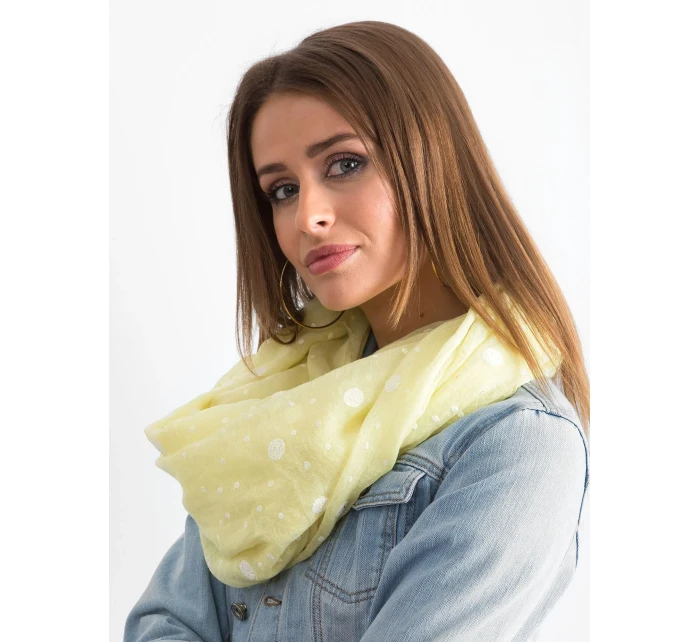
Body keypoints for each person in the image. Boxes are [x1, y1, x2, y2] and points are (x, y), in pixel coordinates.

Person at [124, 20, 589, 642]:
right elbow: (163, 622)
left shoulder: (517, 444)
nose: (307, 216)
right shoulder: (283, 395)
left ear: (432, 161)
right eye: (282, 190)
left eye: (345, 164)